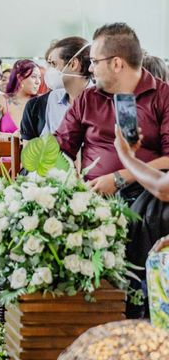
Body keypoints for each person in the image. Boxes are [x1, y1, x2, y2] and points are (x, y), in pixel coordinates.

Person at [54, 23, 169, 317]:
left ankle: (140, 310)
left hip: (150, 192)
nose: (90, 70)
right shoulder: (88, 99)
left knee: (147, 217)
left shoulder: (163, 96)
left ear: (116, 63)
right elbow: (60, 147)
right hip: (94, 194)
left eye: (94, 62)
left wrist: (120, 177)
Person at [21, 37, 91, 141]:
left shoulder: (105, 104)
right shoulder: (36, 106)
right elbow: (28, 153)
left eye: (54, 64)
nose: (50, 71)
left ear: (73, 64)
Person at [0, 59, 41, 155]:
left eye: (39, 77)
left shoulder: (42, 102)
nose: (38, 82)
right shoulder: (1, 100)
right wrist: (13, 137)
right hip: (4, 158)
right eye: (33, 77)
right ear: (20, 78)